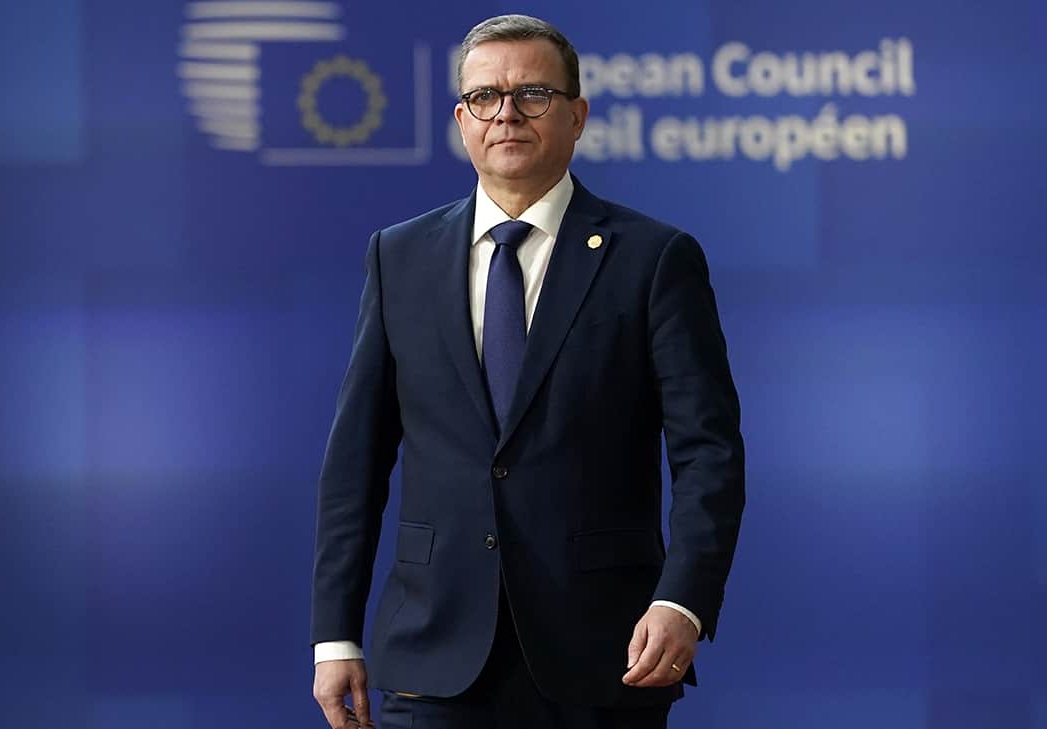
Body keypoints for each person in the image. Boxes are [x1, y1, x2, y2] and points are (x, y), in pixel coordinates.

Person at [310, 14, 744, 729]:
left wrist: (682, 600)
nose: (506, 113)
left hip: (605, 651)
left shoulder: (653, 259)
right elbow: (355, 462)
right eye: (484, 96)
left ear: (578, 116)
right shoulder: (399, 256)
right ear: (462, 120)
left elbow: (709, 454)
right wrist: (336, 635)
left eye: (533, 94)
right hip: (433, 652)